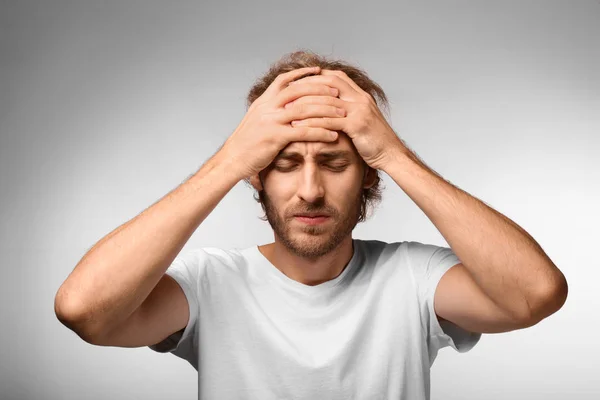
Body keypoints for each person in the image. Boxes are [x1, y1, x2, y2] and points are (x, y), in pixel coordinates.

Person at [54, 50, 568, 400]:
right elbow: (83, 311)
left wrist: (393, 152)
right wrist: (230, 159)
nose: (310, 189)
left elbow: (536, 295)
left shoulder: (413, 277)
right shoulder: (209, 284)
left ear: (367, 175)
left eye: (335, 163)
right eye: (283, 164)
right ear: (257, 176)